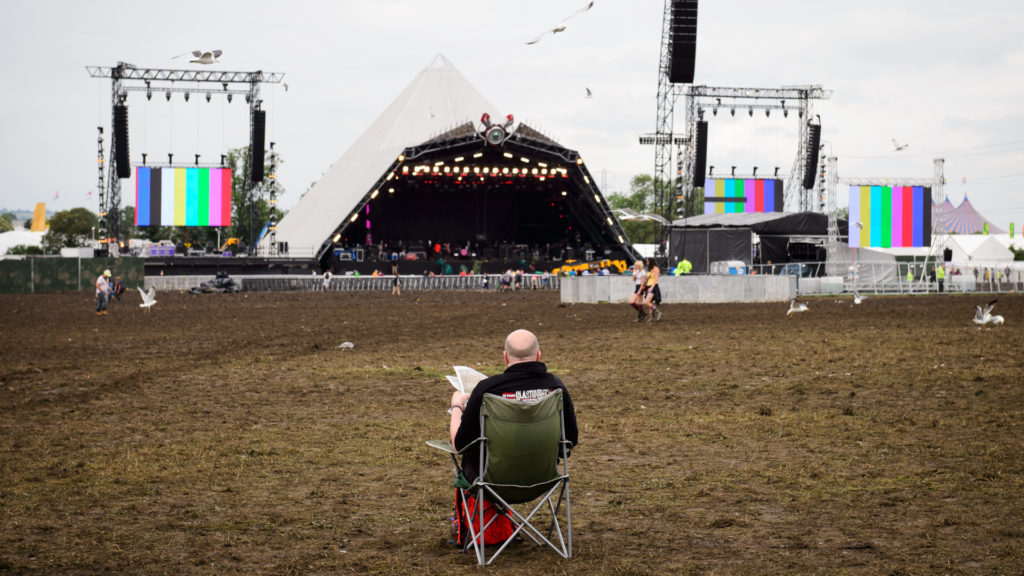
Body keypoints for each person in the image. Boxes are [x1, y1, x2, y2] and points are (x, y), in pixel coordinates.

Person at [448, 329, 578, 483]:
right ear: (538, 355)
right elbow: (571, 439)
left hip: (491, 480)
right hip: (543, 477)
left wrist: (456, 406)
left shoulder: (486, 389)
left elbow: (460, 446)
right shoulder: (556, 388)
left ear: (505, 357)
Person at [642, 257, 662, 322]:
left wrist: (651, 287)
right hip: (648, 286)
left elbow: (656, 280)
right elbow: (647, 278)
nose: (647, 263)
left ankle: (658, 312)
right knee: (649, 302)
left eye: (647, 262)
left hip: (653, 287)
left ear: (651, 262)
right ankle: (652, 316)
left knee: (647, 302)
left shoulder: (656, 269)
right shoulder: (649, 269)